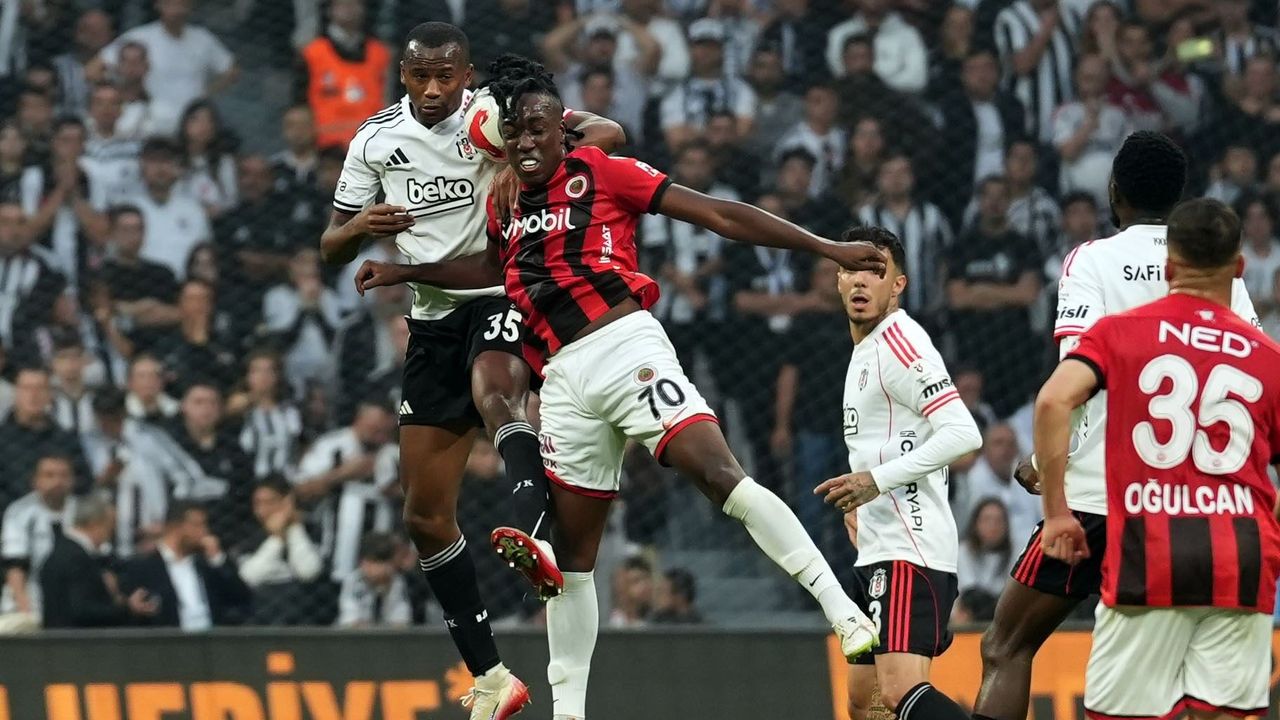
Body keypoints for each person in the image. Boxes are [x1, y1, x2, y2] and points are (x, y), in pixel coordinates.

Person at [362, 55, 884, 720]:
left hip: (625, 349)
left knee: (719, 475)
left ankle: (842, 612)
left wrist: (827, 248)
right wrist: (406, 271)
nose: (526, 144)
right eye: (514, 134)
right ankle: (569, 713)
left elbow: (719, 215)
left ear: (563, 132)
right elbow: (489, 267)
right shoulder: (505, 204)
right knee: (571, 563)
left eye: (539, 130)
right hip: (562, 384)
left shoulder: (603, 172)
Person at [320, 24, 624, 718]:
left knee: (496, 393)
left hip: (502, 293)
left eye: (445, 76)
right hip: (431, 321)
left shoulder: (496, 114)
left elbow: (608, 132)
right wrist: (362, 226)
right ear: (403, 74)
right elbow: (331, 245)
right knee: (424, 515)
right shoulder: (374, 140)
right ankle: (492, 677)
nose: (433, 89)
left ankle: (537, 534)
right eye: (420, 76)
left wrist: (530, 163)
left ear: (467, 75)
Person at [972, 131, 1261, 720]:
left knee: (1007, 646)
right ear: (1180, 197)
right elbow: (1251, 370)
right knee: (1190, 679)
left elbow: (1073, 384)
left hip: (1097, 499)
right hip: (1197, 504)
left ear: (1114, 191)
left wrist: (1042, 462)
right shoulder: (1218, 273)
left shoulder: (1091, 260)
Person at [1032, 197, 1279, 720]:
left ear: (1169, 268)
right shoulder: (1268, 357)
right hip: (1241, 555)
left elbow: (1054, 400)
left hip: (1151, 553)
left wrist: (1057, 513)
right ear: (1239, 269)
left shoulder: (1120, 333)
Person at [814, 226, 982, 720]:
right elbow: (888, 440)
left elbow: (963, 433)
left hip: (911, 547)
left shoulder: (901, 342)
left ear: (898, 285)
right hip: (876, 545)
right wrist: (863, 505)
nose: (861, 281)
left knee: (897, 691)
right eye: (851, 269)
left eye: (876, 271)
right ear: (837, 279)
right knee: (863, 702)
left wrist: (874, 482)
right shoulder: (864, 350)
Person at [119, 500, 252, 629]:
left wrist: (218, 559)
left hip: (211, 639)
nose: (205, 532)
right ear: (175, 527)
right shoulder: (142, 567)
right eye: (198, 525)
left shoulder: (206, 565)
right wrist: (132, 608)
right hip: (170, 641)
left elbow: (242, 597)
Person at [40, 495, 160, 628]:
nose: (110, 534)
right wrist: (127, 608)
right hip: (76, 639)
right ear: (95, 524)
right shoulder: (77, 559)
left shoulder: (61, 552)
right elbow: (82, 610)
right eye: (110, 526)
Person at [1, 455, 79, 621]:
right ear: (35, 481)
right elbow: (15, 567)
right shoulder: (19, 512)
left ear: (73, 480)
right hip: (30, 598)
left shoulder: (82, 510)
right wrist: (25, 611)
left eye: (64, 475)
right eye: (49, 475)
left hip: (73, 600)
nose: (57, 481)